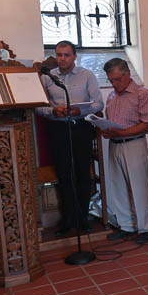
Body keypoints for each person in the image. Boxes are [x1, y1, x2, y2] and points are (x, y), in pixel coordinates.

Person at [35, 41, 104, 236]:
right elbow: (38, 105)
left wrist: (79, 110)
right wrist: (52, 111)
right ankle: (68, 220)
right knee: (64, 175)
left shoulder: (87, 75)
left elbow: (98, 103)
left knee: (82, 174)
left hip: (81, 127)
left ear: (74, 56)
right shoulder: (47, 77)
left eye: (66, 55)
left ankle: (83, 218)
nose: (62, 59)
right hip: (58, 129)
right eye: (59, 55)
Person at [102, 58, 148, 245]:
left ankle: (145, 228)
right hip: (115, 145)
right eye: (111, 80)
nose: (114, 84)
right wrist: (105, 129)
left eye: (117, 79)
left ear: (127, 74)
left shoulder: (142, 94)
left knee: (138, 187)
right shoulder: (111, 96)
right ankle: (126, 226)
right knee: (117, 186)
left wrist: (122, 132)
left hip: (134, 144)